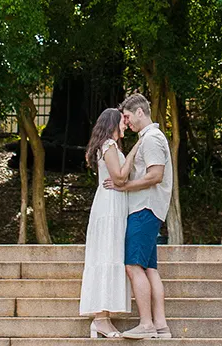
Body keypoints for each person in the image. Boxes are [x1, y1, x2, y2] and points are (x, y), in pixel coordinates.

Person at [104, 94, 173, 340]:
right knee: (150, 268)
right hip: (150, 210)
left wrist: (125, 186)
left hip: (144, 209)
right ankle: (161, 325)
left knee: (133, 266)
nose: (127, 123)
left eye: (128, 117)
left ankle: (146, 324)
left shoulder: (152, 139)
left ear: (140, 113)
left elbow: (156, 175)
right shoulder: (149, 139)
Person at [80, 108, 136, 338]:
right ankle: (100, 319)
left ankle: (104, 318)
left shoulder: (109, 147)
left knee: (111, 254)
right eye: (122, 122)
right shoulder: (109, 146)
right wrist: (134, 152)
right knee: (106, 255)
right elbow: (120, 177)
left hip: (114, 204)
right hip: (109, 206)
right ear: (113, 123)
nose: (125, 125)